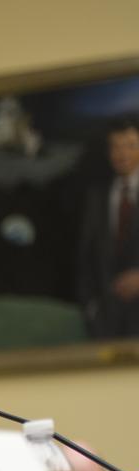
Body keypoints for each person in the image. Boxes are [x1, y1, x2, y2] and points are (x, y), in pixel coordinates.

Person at [77, 115, 139, 338]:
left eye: (130, 146)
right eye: (116, 147)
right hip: (104, 321)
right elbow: (85, 255)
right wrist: (90, 307)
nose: (123, 154)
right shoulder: (96, 197)